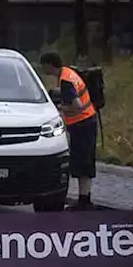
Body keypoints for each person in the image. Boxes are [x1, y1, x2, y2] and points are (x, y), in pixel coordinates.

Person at [39, 51, 98, 209]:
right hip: (88, 121)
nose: (42, 69)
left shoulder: (65, 80)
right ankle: (84, 199)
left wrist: (60, 108)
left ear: (49, 65)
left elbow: (77, 105)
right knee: (85, 162)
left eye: (43, 66)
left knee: (82, 163)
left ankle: (84, 202)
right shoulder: (68, 73)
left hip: (82, 124)